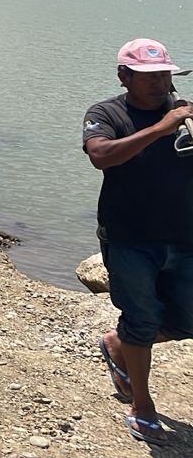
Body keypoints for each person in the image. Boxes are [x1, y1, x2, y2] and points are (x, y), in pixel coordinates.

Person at [87, 39, 193, 445]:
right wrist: (160, 130)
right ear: (124, 77)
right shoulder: (106, 113)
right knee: (142, 318)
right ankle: (142, 406)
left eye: (165, 75)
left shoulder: (184, 114)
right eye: (150, 77)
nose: (161, 83)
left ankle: (119, 344)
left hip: (184, 236)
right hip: (129, 236)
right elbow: (101, 155)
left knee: (185, 321)